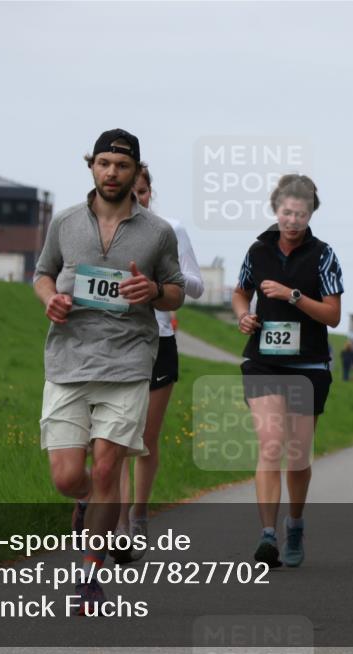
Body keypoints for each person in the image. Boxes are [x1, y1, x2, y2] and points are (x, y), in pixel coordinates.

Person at [33, 129, 185, 613]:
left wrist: (154, 294)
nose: (111, 173)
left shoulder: (157, 232)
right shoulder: (64, 224)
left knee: (106, 468)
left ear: (136, 171)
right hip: (68, 361)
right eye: (103, 164)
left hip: (127, 360)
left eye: (121, 166)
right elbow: (41, 273)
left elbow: (178, 289)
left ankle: (89, 575)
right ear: (92, 167)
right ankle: (86, 501)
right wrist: (50, 299)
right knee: (66, 476)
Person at [232, 174, 343, 568]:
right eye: (286, 212)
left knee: (296, 455)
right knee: (271, 444)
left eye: (301, 213)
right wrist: (244, 315)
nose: (293, 220)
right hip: (262, 361)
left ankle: (295, 523)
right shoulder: (258, 249)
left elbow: (333, 315)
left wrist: (293, 296)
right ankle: (267, 535)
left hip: (308, 365)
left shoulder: (324, 254)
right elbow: (240, 290)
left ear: (311, 213)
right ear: (275, 209)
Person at [115, 163, 204, 563]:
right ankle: (116, 526)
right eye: (130, 192)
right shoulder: (105, 232)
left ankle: (139, 514)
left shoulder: (169, 229)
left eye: (143, 192)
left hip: (159, 341)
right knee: (115, 439)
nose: (137, 199)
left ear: (152, 193)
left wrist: (161, 287)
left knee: (145, 441)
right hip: (114, 344)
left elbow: (195, 284)